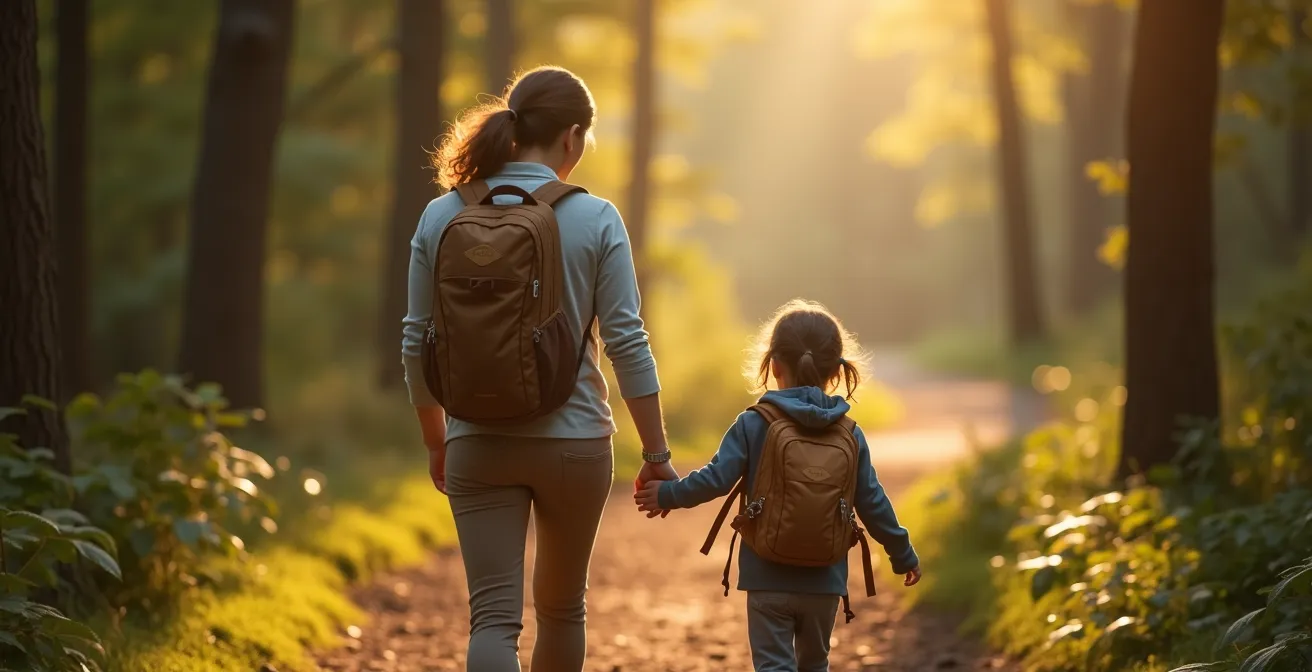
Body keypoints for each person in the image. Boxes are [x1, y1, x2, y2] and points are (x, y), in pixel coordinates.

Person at [401, 65, 678, 672]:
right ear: (573, 137)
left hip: (476, 437)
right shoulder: (597, 218)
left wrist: (437, 441)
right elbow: (628, 343)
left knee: (493, 619)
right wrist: (656, 454)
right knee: (562, 610)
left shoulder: (440, 215)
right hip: (575, 444)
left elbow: (415, 344)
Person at [634, 299, 922, 672]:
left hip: (766, 574)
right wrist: (903, 554)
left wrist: (668, 494)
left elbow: (715, 479)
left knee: (773, 666)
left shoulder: (755, 422)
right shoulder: (850, 433)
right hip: (825, 578)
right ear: (836, 372)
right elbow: (873, 502)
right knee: (815, 665)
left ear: (773, 365)